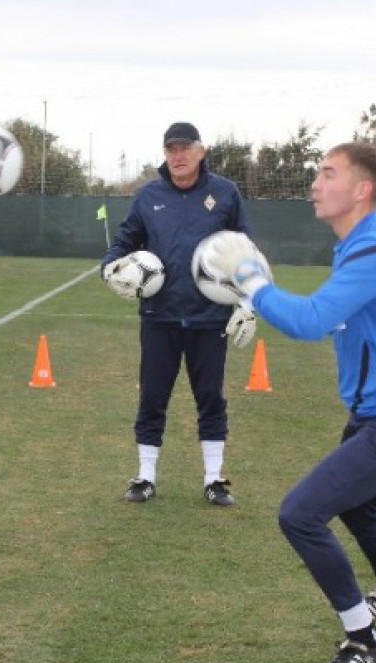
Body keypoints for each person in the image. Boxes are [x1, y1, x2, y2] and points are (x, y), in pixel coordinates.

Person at [207, 142, 376, 663]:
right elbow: (334, 317)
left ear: (362, 189)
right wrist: (258, 301)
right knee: (358, 506)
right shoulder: (358, 245)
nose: (314, 183)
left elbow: (313, 319)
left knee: (301, 514)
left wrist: (253, 283)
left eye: (327, 173)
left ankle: (366, 641)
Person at [100, 121, 257, 507]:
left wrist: (248, 302)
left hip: (210, 318)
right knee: (153, 397)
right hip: (160, 316)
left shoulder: (225, 193)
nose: (178, 155)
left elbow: (245, 249)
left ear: (201, 151)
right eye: (172, 149)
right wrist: (109, 265)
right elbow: (124, 240)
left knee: (210, 398)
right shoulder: (148, 196)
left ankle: (214, 479)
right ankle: (145, 477)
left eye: (185, 148)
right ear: (165, 153)